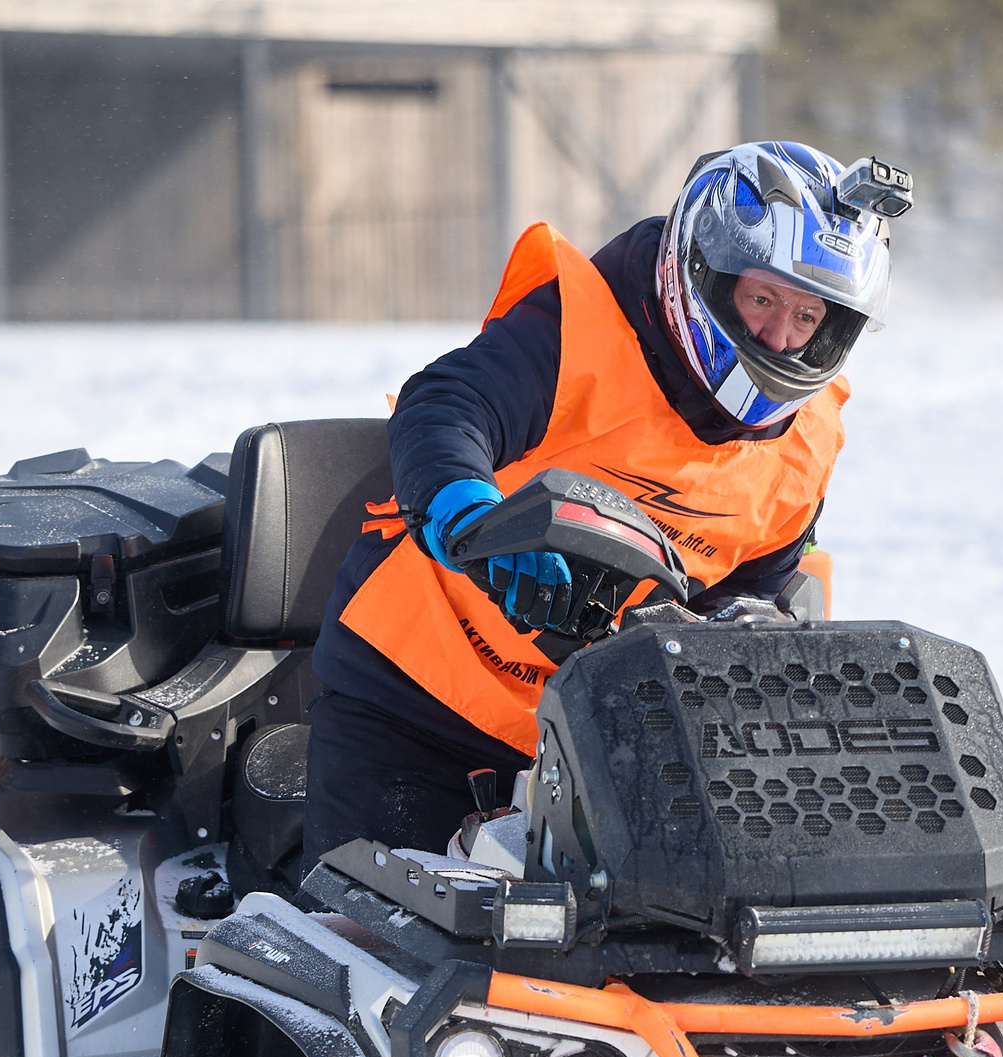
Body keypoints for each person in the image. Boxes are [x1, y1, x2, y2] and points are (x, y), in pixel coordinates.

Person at [304, 140, 909, 861]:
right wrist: (471, 518)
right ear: (702, 271)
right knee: (377, 941)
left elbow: (753, 601)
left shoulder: (806, 442)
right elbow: (445, 407)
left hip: (603, 747)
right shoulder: (582, 329)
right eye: (762, 299)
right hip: (413, 704)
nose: (781, 335)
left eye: (809, 318)